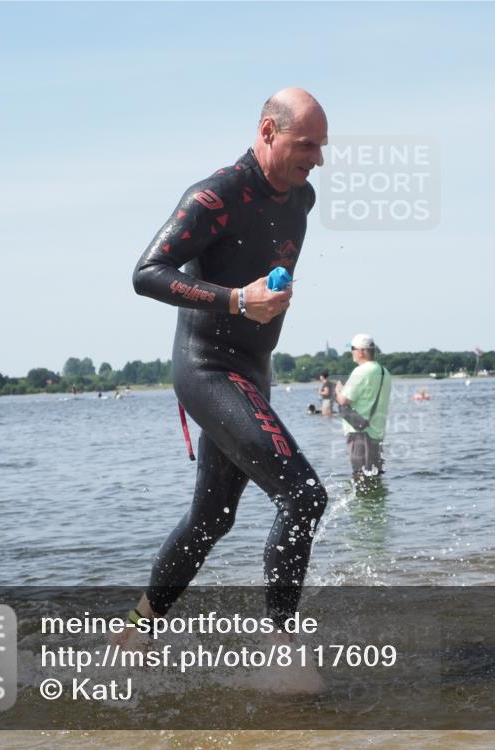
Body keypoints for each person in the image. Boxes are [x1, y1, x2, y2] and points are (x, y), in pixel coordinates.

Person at [125, 88, 329, 689]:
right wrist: (239, 299)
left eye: (322, 146)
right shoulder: (214, 197)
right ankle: (281, 649)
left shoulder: (302, 198)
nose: (318, 159)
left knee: (210, 519)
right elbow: (146, 273)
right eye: (307, 144)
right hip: (208, 369)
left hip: (253, 372)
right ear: (268, 131)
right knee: (303, 496)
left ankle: (135, 631)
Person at [336, 334, 391, 478]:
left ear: (360, 351)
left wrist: (339, 390)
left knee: (360, 476)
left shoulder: (361, 371)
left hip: (360, 432)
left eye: (352, 349)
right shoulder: (384, 372)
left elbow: (343, 400)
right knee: (375, 476)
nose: (352, 353)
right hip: (377, 432)